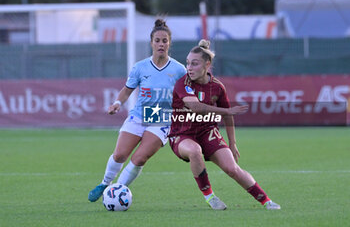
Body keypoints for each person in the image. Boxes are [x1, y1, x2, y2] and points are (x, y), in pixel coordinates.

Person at [168, 39, 281, 210]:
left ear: (207, 64)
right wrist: (226, 112)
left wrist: (233, 143)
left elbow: (229, 118)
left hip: (207, 132)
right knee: (194, 151)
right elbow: (196, 107)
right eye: (188, 63)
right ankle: (210, 196)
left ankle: (266, 201)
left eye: (194, 63)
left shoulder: (218, 87)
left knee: (232, 168)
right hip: (182, 134)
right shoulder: (183, 83)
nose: (189, 68)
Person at [88, 19, 187, 202]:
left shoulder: (179, 70)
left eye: (164, 41)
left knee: (140, 158)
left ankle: (117, 191)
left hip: (162, 119)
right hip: (140, 115)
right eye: (157, 40)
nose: (161, 44)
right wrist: (118, 103)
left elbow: (187, 95)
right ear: (151, 43)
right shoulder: (140, 67)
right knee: (119, 155)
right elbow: (127, 90)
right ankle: (105, 183)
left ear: (169, 43)